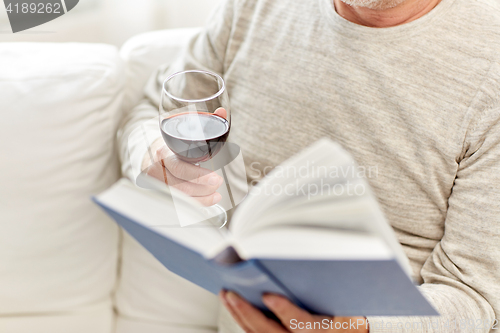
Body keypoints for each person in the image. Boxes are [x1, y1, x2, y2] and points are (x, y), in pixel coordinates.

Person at [118, 0, 500, 331]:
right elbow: (154, 108)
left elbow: (475, 298)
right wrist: (155, 157)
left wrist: (362, 329)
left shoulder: (490, 64)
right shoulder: (253, 8)